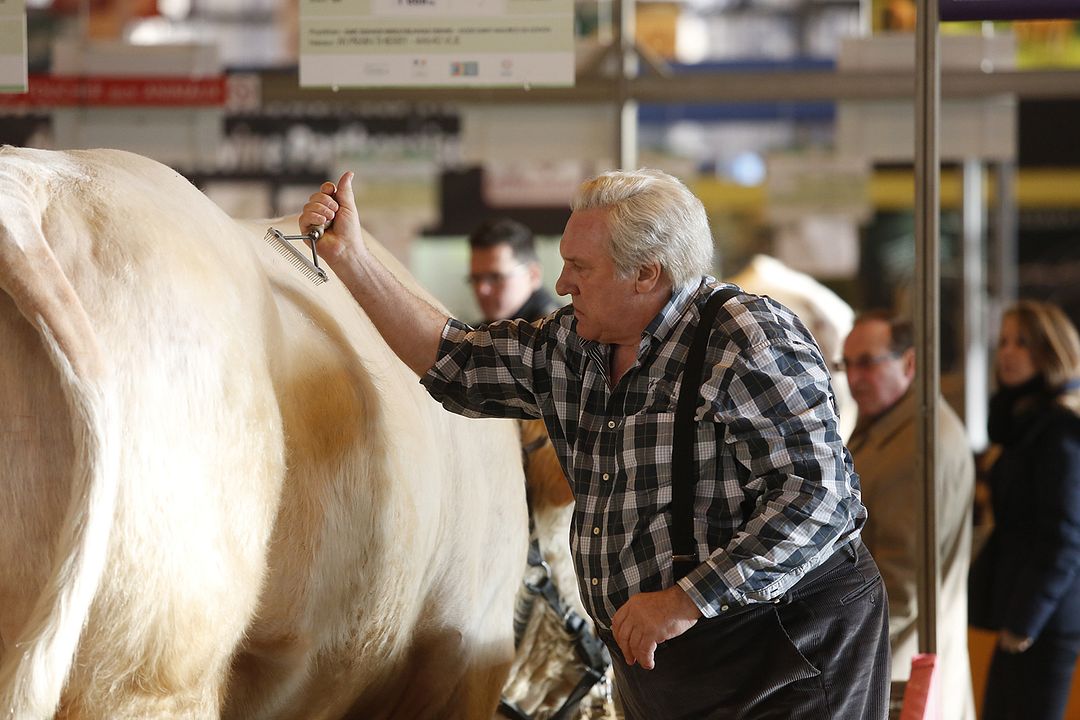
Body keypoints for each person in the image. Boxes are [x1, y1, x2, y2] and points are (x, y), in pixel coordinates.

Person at [300, 168, 890, 718]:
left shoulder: (745, 336)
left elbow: (819, 498)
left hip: (787, 650)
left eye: (580, 267)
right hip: (663, 663)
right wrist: (350, 257)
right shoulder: (577, 346)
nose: (561, 284)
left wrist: (685, 600)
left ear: (646, 274)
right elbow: (457, 360)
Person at [843, 311, 976, 720]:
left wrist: (847, 650)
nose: (854, 378)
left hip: (901, 666)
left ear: (910, 363)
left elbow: (903, 583)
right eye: (846, 364)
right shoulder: (888, 428)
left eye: (867, 362)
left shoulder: (919, 446)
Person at [969, 300, 1080, 720]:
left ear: (1051, 350)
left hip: (1045, 621)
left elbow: (1064, 538)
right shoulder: (1023, 423)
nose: (1007, 353)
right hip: (1022, 611)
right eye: (1003, 342)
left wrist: (1025, 623)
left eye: (1022, 343)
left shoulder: (1060, 430)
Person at [467, 217, 559, 323]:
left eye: (496, 277)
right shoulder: (488, 330)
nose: (481, 290)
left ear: (533, 275)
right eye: (475, 279)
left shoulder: (552, 331)